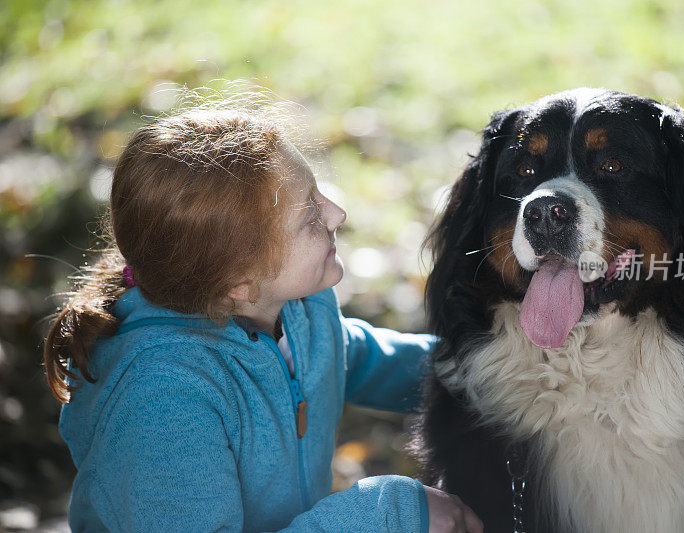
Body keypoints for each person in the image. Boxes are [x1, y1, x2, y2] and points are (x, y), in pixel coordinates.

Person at [43, 106, 482, 532]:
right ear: (239, 282)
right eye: (310, 214)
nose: (337, 213)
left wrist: (480, 369)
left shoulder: (294, 307)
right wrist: (389, 514)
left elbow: (341, 355)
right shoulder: (163, 401)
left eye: (318, 190)